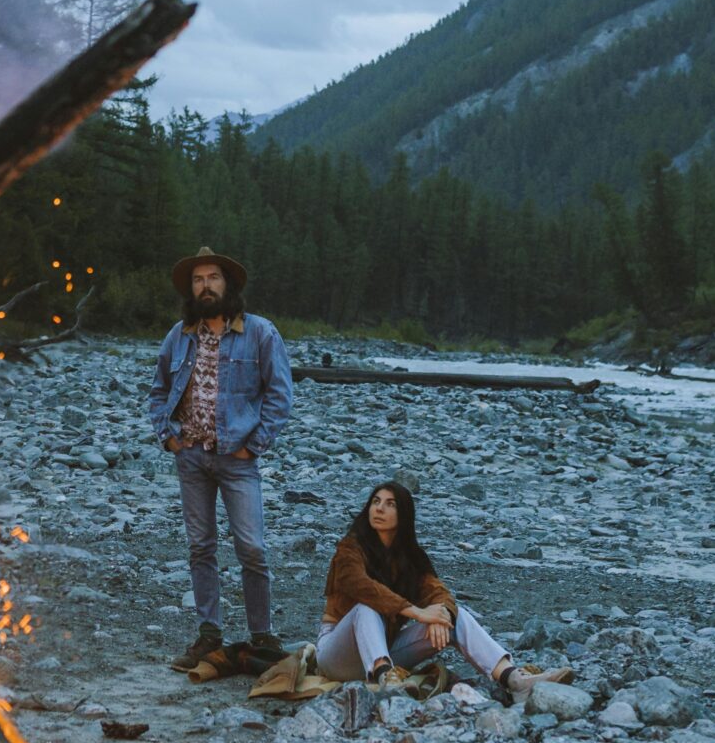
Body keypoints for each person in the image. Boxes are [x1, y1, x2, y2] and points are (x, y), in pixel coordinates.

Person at [148, 244, 293, 675]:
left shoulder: (260, 333)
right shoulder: (180, 335)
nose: (205, 286)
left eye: (212, 278)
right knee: (201, 547)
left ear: (227, 284)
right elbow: (158, 391)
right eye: (198, 279)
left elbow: (280, 394)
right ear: (190, 289)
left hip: (237, 458)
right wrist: (168, 437)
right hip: (191, 457)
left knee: (251, 547)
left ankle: (262, 636)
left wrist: (255, 444)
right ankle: (209, 635)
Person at [317, 481, 517, 703]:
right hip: (338, 654)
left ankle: (512, 678)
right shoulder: (349, 549)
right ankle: (386, 680)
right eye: (375, 502)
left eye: (390, 504)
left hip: (386, 648)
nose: (379, 508)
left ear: (403, 514)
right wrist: (417, 612)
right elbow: (360, 586)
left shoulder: (411, 557)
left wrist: (442, 615)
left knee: (457, 616)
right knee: (366, 609)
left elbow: (439, 592)